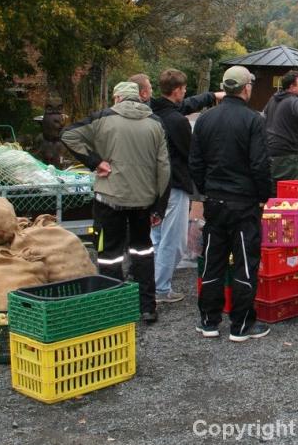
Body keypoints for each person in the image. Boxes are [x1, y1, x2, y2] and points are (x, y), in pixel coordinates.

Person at [61, 81, 169, 323]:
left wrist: (95, 161)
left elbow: (67, 134)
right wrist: (159, 205)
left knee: (109, 254)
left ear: (118, 98)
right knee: (143, 252)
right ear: (138, 98)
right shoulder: (155, 123)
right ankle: (147, 307)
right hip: (144, 200)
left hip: (109, 198)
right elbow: (164, 167)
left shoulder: (102, 118)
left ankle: (114, 308)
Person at [189, 66, 273, 341]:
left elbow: (196, 163)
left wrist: (206, 189)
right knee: (245, 262)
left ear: (225, 87)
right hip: (243, 203)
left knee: (213, 260)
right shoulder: (253, 120)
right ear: (246, 87)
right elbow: (260, 164)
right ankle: (241, 324)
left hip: (214, 201)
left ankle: (209, 321)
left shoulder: (205, 119)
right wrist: (264, 196)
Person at [149, 69, 199, 304]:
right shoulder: (178, 121)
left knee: (156, 237)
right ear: (177, 90)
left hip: (151, 184)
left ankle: (151, 283)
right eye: (184, 88)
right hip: (175, 184)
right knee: (174, 241)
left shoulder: (151, 113)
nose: (185, 92)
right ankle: (160, 289)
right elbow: (190, 153)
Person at [129, 72, 222, 115]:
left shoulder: (116, 116)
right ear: (144, 93)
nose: (152, 90)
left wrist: (211, 96)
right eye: (150, 88)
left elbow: (185, 105)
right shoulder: (154, 113)